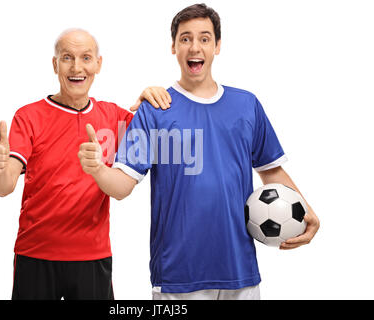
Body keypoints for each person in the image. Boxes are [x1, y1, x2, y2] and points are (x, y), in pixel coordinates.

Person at [77, 4, 320, 300]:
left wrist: (306, 211)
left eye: (205, 38)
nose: (195, 47)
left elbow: (270, 170)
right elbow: (122, 186)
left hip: (240, 270)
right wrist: (98, 169)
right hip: (179, 276)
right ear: (173, 47)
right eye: (185, 38)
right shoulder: (155, 110)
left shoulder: (247, 105)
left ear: (217, 46)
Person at [0, 28, 171, 300]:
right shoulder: (29, 116)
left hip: (92, 256)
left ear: (98, 64)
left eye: (85, 58)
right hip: (35, 254)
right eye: (67, 57)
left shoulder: (114, 117)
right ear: (55, 64)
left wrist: (151, 97)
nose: (76, 67)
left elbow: (166, 136)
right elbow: (3, 186)